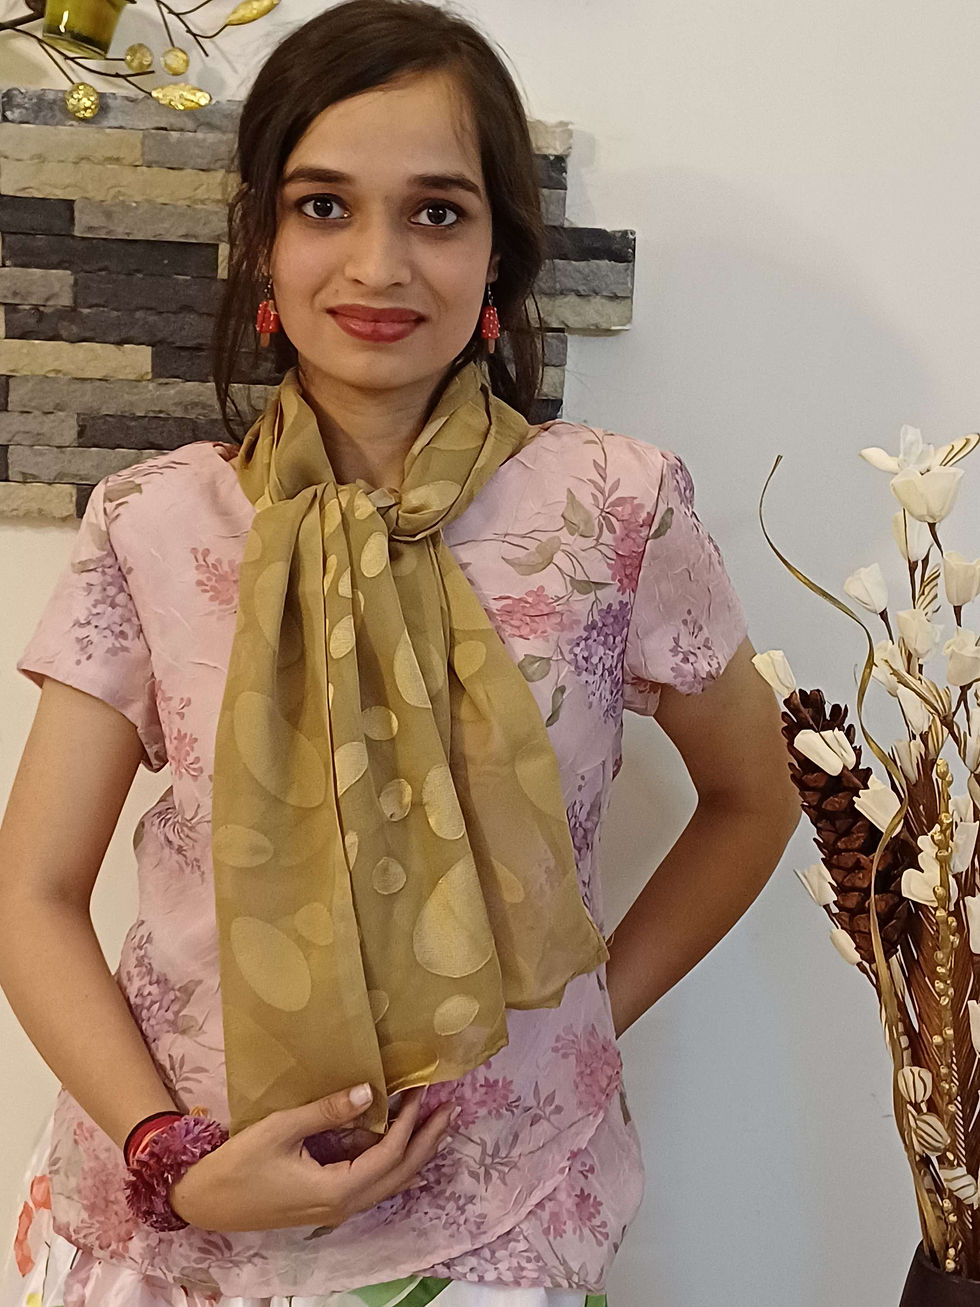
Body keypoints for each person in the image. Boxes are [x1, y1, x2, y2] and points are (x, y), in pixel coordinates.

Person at [0, 1, 801, 1303]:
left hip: (494, 1218)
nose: (378, 264)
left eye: (437, 212)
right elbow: (32, 889)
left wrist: (580, 1030)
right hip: (176, 1220)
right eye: (324, 206)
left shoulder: (615, 510)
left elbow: (756, 797)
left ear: (499, 254)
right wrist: (172, 1158)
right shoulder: (152, 525)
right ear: (263, 241)